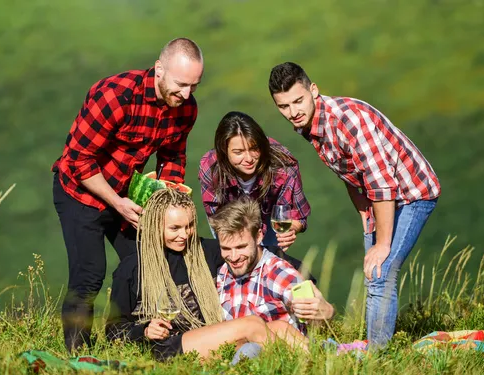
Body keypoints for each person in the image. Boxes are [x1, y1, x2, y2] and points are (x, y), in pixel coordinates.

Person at [268, 62, 441, 346]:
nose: (293, 112)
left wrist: (382, 243)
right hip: (379, 198)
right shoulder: (310, 124)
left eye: (298, 101)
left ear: (313, 90)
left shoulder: (349, 121)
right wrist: (365, 218)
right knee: (372, 271)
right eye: (283, 106)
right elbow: (350, 174)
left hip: (413, 192)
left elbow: (382, 183)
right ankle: (377, 347)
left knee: (381, 270)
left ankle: (378, 358)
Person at [52, 37, 204, 352]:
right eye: (180, 84)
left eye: (194, 85)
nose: (186, 94)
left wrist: (166, 202)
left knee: (147, 263)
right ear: (159, 69)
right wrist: (118, 203)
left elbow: (173, 158)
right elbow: (77, 160)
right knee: (90, 276)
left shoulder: (185, 108)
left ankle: (134, 339)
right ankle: (77, 357)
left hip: (126, 196)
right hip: (81, 192)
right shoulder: (116, 97)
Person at [106, 189, 306, 361]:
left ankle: (320, 362)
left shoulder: (205, 251)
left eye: (189, 226)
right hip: (166, 348)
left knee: (281, 328)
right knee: (251, 324)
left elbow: (259, 252)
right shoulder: (132, 267)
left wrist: (306, 284)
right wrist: (145, 330)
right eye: (174, 228)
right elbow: (112, 330)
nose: (184, 235)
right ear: (155, 226)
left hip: (211, 338)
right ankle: (290, 366)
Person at [210, 197, 334, 333]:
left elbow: (316, 326)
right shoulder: (222, 273)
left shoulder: (279, 273)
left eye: (241, 247)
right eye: (226, 249)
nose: (233, 257)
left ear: (258, 237)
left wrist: (326, 313)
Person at [199, 111, 311, 250]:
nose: (249, 159)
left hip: (269, 214)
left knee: (268, 259)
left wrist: (291, 229)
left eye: (254, 149)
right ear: (224, 150)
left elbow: (296, 214)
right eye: (238, 152)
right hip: (228, 216)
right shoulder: (210, 168)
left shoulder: (283, 167)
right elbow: (216, 214)